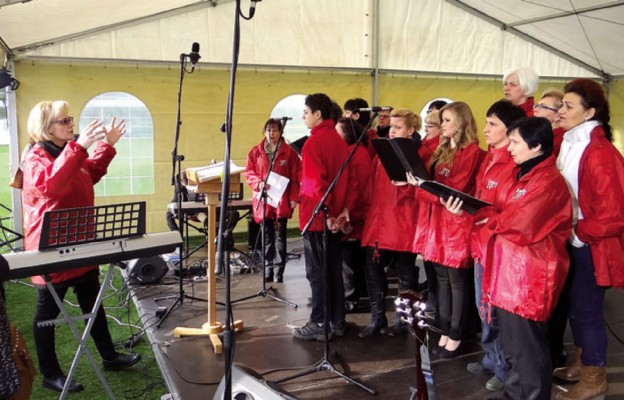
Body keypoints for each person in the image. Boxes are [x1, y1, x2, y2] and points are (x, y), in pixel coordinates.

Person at [21, 101, 141, 393]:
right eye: (64, 121)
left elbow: (90, 172)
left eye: (70, 119)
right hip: (50, 250)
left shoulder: (68, 151)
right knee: (46, 316)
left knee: (93, 304)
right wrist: (81, 146)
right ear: (46, 128)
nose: (71, 124)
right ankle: (50, 374)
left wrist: (106, 146)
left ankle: (109, 356)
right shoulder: (36, 157)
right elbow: (51, 186)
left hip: (81, 245)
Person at [468, 117, 572, 400]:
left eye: (515, 142)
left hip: (530, 277)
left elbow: (523, 224)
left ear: (536, 145)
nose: (509, 148)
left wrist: (490, 221)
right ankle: (514, 394)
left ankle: (532, 395)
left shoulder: (549, 181)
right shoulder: (520, 175)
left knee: (528, 350)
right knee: (513, 349)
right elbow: (498, 210)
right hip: (506, 271)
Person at [554, 78, 624, 400]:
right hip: (575, 241)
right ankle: (583, 364)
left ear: (589, 112)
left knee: (588, 312)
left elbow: (614, 215)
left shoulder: (599, 153)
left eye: (569, 106)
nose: (561, 111)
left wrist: (579, 233)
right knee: (576, 309)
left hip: (590, 245)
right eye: (562, 104)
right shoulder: (574, 142)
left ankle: (595, 377)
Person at [450, 100, 526, 391]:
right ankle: (492, 357)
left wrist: (479, 215)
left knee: (495, 310)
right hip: (482, 242)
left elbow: (509, 211)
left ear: (510, 129)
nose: (485, 129)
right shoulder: (491, 157)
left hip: (500, 247)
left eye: (493, 124)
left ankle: (504, 367)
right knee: (484, 307)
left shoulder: (513, 163)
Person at [408, 101, 485, 358]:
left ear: (461, 123)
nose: (443, 125)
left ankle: (457, 333)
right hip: (437, 222)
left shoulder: (472, 152)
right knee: (441, 279)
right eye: (442, 120)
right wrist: (421, 185)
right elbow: (432, 190)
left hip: (456, 224)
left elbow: (456, 188)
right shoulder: (440, 151)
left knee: (457, 282)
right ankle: (444, 328)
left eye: (448, 120)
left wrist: (425, 188)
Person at [359, 108, 429, 338]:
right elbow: (370, 187)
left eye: (398, 127)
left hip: (403, 222)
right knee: (373, 270)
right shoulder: (381, 153)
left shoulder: (416, 154)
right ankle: (378, 317)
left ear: (411, 130)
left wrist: (409, 187)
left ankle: (404, 319)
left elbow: (421, 191)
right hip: (379, 222)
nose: (392, 131)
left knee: (406, 273)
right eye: (391, 127)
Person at [292, 93, 352, 341]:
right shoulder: (338, 141)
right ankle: (337, 321)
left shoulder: (313, 143)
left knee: (317, 273)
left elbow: (315, 184)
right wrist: (340, 212)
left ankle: (319, 321)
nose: (303, 116)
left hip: (318, 219)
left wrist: (326, 212)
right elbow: (345, 181)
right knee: (333, 271)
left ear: (318, 114)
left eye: (306, 112)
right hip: (334, 217)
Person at [245, 118, 301, 283]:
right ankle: (268, 269)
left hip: (281, 202)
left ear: (280, 132)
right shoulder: (255, 152)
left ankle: (279, 272)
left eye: (275, 130)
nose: (272, 133)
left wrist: (294, 198)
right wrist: (258, 183)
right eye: (269, 130)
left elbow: (296, 176)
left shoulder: (289, 152)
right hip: (264, 201)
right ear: (264, 132)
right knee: (267, 238)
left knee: (280, 238)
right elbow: (249, 173)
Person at [335, 117, 371, 312]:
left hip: (355, 215)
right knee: (352, 260)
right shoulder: (356, 152)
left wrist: (351, 215)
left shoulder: (356, 155)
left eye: (338, 132)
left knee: (349, 261)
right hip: (356, 214)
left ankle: (350, 298)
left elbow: (359, 187)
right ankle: (355, 294)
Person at [533, 88, 565, 156]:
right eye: (536, 105)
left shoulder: (560, 141)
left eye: (543, 106)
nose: (535, 109)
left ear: (558, 114)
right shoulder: (542, 135)